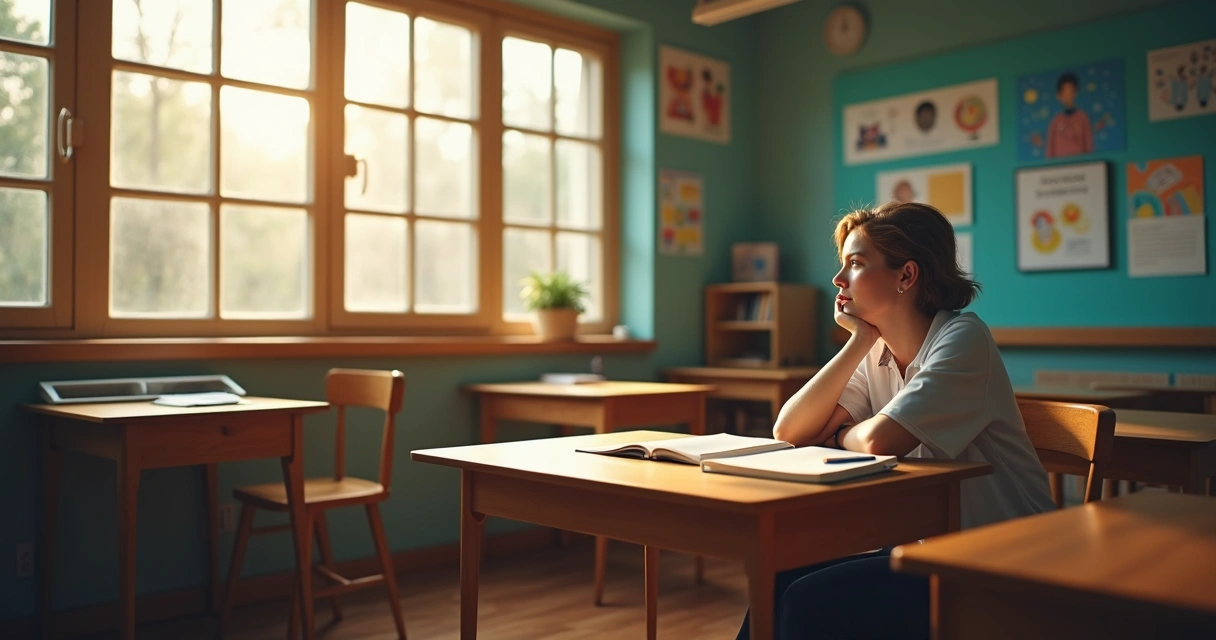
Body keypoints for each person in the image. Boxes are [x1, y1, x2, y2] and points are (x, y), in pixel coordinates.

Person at [736, 201, 1055, 640]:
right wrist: (858, 341)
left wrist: (841, 435)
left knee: (808, 603)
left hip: (1001, 562)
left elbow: (880, 441)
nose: (838, 279)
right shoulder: (875, 350)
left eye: (855, 263)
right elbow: (789, 430)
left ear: (906, 276)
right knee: (776, 580)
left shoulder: (964, 339)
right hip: (925, 548)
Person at [1045, 72, 1093, 158]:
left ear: (1076, 92)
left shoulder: (1082, 117)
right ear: (1059, 95)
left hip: (1080, 163)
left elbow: (1088, 143)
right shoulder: (1056, 121)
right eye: (1065, 92)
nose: (1068, 95)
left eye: (1071, 91)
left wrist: (1089, 160)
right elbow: (1050, 149)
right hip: (1060, 164)